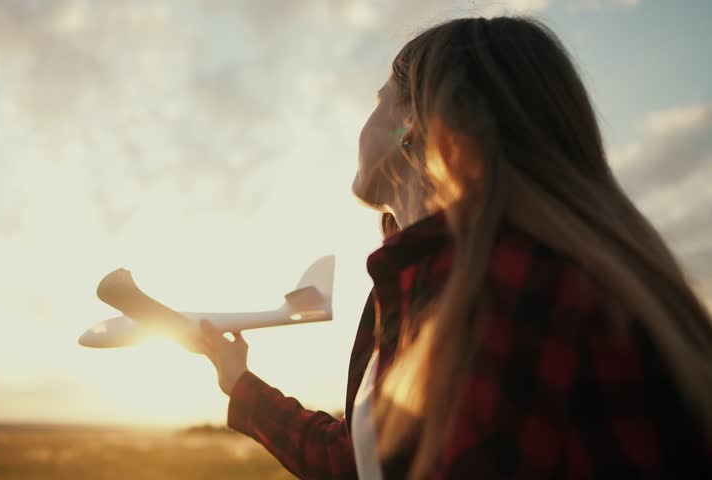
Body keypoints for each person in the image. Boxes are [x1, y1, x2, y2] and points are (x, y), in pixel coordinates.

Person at [199, 16, 712, 479]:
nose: (366, 119)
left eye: (381, 99)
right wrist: (240, 383)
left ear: (414, 123)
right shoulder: (424, 288)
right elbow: (367, 461)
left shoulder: (516, 291)